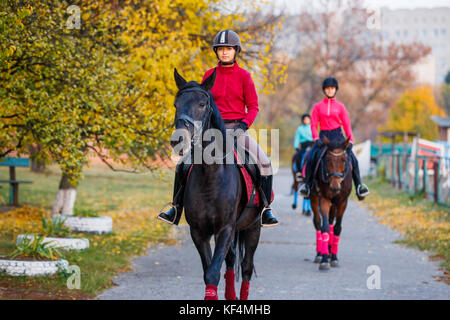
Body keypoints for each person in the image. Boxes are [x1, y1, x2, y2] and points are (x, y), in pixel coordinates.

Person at [158, 29, 278, 227]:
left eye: (228, 49)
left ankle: (265, 208)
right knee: (183, 164)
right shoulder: (209, 75)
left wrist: (244, 125)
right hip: (211, 132)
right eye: (221, 49)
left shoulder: (244, 76)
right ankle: (175, 207)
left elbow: (254, 106)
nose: (224, 53)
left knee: (264, 163)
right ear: (216, 52)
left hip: (238, 129)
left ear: (235, 51)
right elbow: (200, 104)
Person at [299, 77, 370, 200]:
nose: (330, 90)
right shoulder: (317, 106)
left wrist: (350, 139)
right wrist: (316, 138)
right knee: (311, 157)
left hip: (338, 136)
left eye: (332, 88)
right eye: (328, 88)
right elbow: (314, 124)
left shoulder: (340, 107)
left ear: (335, 90)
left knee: (353, 159)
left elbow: (346, 124)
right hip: (323, 137)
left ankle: (359, 186)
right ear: (324, 90)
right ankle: (308, 186)